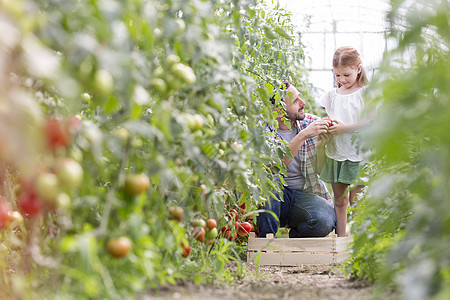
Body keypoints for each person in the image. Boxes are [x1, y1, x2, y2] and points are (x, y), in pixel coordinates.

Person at [257, 79, 337, 238]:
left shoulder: (311, 122)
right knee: (269, 180)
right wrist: (303, 135)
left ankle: (294, 241)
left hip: (302, 197)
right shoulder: (262, 130)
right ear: (278, 110)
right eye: (295, 101)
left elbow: (321, 171)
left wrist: (321, 147)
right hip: (272, 202)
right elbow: (274, 167)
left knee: (326, 219)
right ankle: (266, 243)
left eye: (299, 97)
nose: (303, 102)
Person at [319, 46, 376, 237]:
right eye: (337, 75)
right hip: (337, 152)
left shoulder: (366, 93)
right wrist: (330, 127)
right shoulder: (332, 96)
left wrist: (344, 128)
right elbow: (331, 119)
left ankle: (360, 240)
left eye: (346, 74)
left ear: (358, 69)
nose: (342, 80)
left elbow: (371, 122)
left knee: (357, 199)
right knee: (340, 200)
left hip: (358, 153)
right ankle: (341, 240)